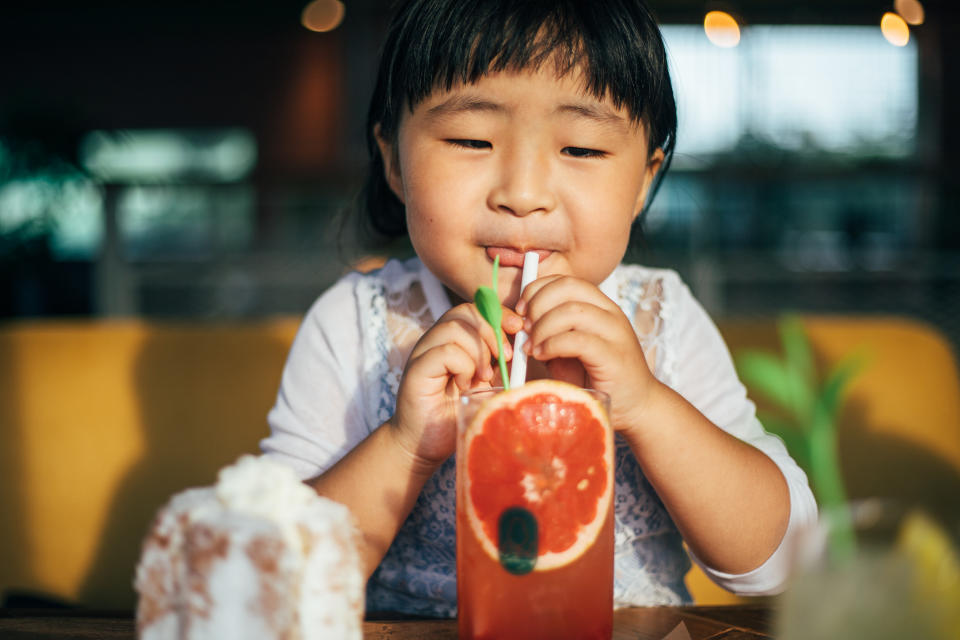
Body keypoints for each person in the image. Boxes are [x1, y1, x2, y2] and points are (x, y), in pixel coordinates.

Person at [261, 0, 817, 616]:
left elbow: (783, 561)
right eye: (471, 139)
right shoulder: (356, 324)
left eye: (581, 149)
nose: (523, 195)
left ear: (642, 182)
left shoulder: (661, 316)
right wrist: (405, 445)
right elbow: (273, 584)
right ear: (393, 160)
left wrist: (646, 406)